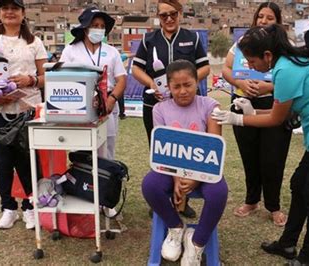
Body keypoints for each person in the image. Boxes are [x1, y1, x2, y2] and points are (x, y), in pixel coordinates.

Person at [212, 25, 309, 265]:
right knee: (299, 185)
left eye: (251, 60)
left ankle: (308, 258)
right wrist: (251, 110)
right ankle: (288, 244)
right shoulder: (290, 61)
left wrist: (239, 119)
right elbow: (283, 109)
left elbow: (276, 118)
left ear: (268, 56)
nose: (249, 66)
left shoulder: (285, 69)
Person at [142, 60, 228, 266]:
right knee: (150, 185)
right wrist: (177, 178)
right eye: (176, 86)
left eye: (187, 84)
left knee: (219, 193)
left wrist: (196, 179)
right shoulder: (160, 109)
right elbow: (163, 153)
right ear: (168, 87)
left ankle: (197, 243)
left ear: (197, 82)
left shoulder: (210, 106)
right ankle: (175, 227)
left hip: (204, 169)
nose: (182, 91)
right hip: (172, 169)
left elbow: (213, 147)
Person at [0, 0, 47, 230]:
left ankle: (31, 207)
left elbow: (46, 77)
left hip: (27, 110)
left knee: (28, 161)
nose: (9, 12)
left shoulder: (34, 42)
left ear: (23, 13)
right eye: (5, 8)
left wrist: (30, 80)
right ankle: (8, 207)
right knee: (3, 162)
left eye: (14, 8)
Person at [132, 0, 210, 218]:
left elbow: (204, 66)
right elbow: (136, 68)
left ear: (180, 13)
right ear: (157, 16)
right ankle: (161, 197)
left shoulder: (191, 38)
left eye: (172, 14)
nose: (168, 19)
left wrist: (188, 84)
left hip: (188, 106)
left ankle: (183, 199)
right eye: (163, 15)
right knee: (160, 151)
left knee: (188, 151)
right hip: (155, 105)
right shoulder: (149, 39)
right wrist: (151, 84)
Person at [221, 1, 290, 226]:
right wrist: (240, 81)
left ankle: (274, 205)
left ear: (277, 22)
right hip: (242, 101)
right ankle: (252, 200)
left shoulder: (284, 46)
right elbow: (225, 69)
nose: (263, 21)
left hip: (273, 104)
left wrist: (268, 87)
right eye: (261, 16)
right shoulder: (243, 42)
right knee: (249, 155)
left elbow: (289, 78)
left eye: (269, 18)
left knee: (273, 158)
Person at [60, 7, 127, 160]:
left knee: (107, 149)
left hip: (107, 105)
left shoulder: (112, 52)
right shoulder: (70, 50)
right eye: (95, 25)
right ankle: (83, 181)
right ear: (85, 28)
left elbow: (122, 79)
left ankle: (105, 181)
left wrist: (112, 99)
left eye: (102, 27)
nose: (99, 29)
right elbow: (61, 77)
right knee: (80, 149)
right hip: (79, 105)